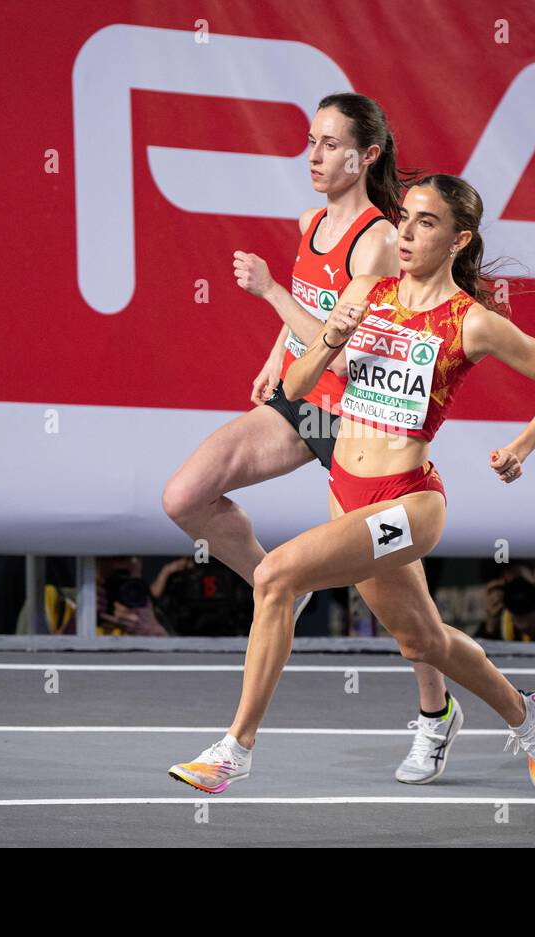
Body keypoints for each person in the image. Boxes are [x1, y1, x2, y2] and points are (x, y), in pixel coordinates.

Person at [168, 174, 535, 793]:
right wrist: (335, 332)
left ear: (457, 239)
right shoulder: (367, 290)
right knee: (422, 640)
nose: (407, 232)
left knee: (276, 574)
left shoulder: (471, 322)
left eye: (426, 223)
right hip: (348, 490)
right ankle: (527, 715)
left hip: (410, 501)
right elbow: (298, 388)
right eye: (406, 218)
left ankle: (236, 749)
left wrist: (521, 447)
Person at [163, 93, 461, 783]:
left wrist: (268, 294)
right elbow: (312, 301)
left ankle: (435, 713)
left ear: (370, 155)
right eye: (310, 141)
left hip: (362, 428)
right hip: (306, 408)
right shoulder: (311, 222)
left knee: (404, 614)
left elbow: (347, 345)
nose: (315, 156)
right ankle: (281, 586)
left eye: (330, 145)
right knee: (186, 495)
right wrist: (276, 354)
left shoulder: (381, 238)